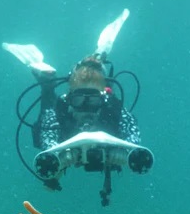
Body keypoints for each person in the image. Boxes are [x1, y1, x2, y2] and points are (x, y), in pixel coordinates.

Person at [32, 54, 140, 190]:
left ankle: (99, 61)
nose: (86, 108)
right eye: (79, 100)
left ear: (102, 100)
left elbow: (132, 134)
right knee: (46, 112)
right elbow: (47, 137)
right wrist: (59, 154)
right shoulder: (61, 110)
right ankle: (47, 85)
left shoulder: (113, 109)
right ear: (70, 99)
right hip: (65, 138)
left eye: (93, 101)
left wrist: (124, 151)